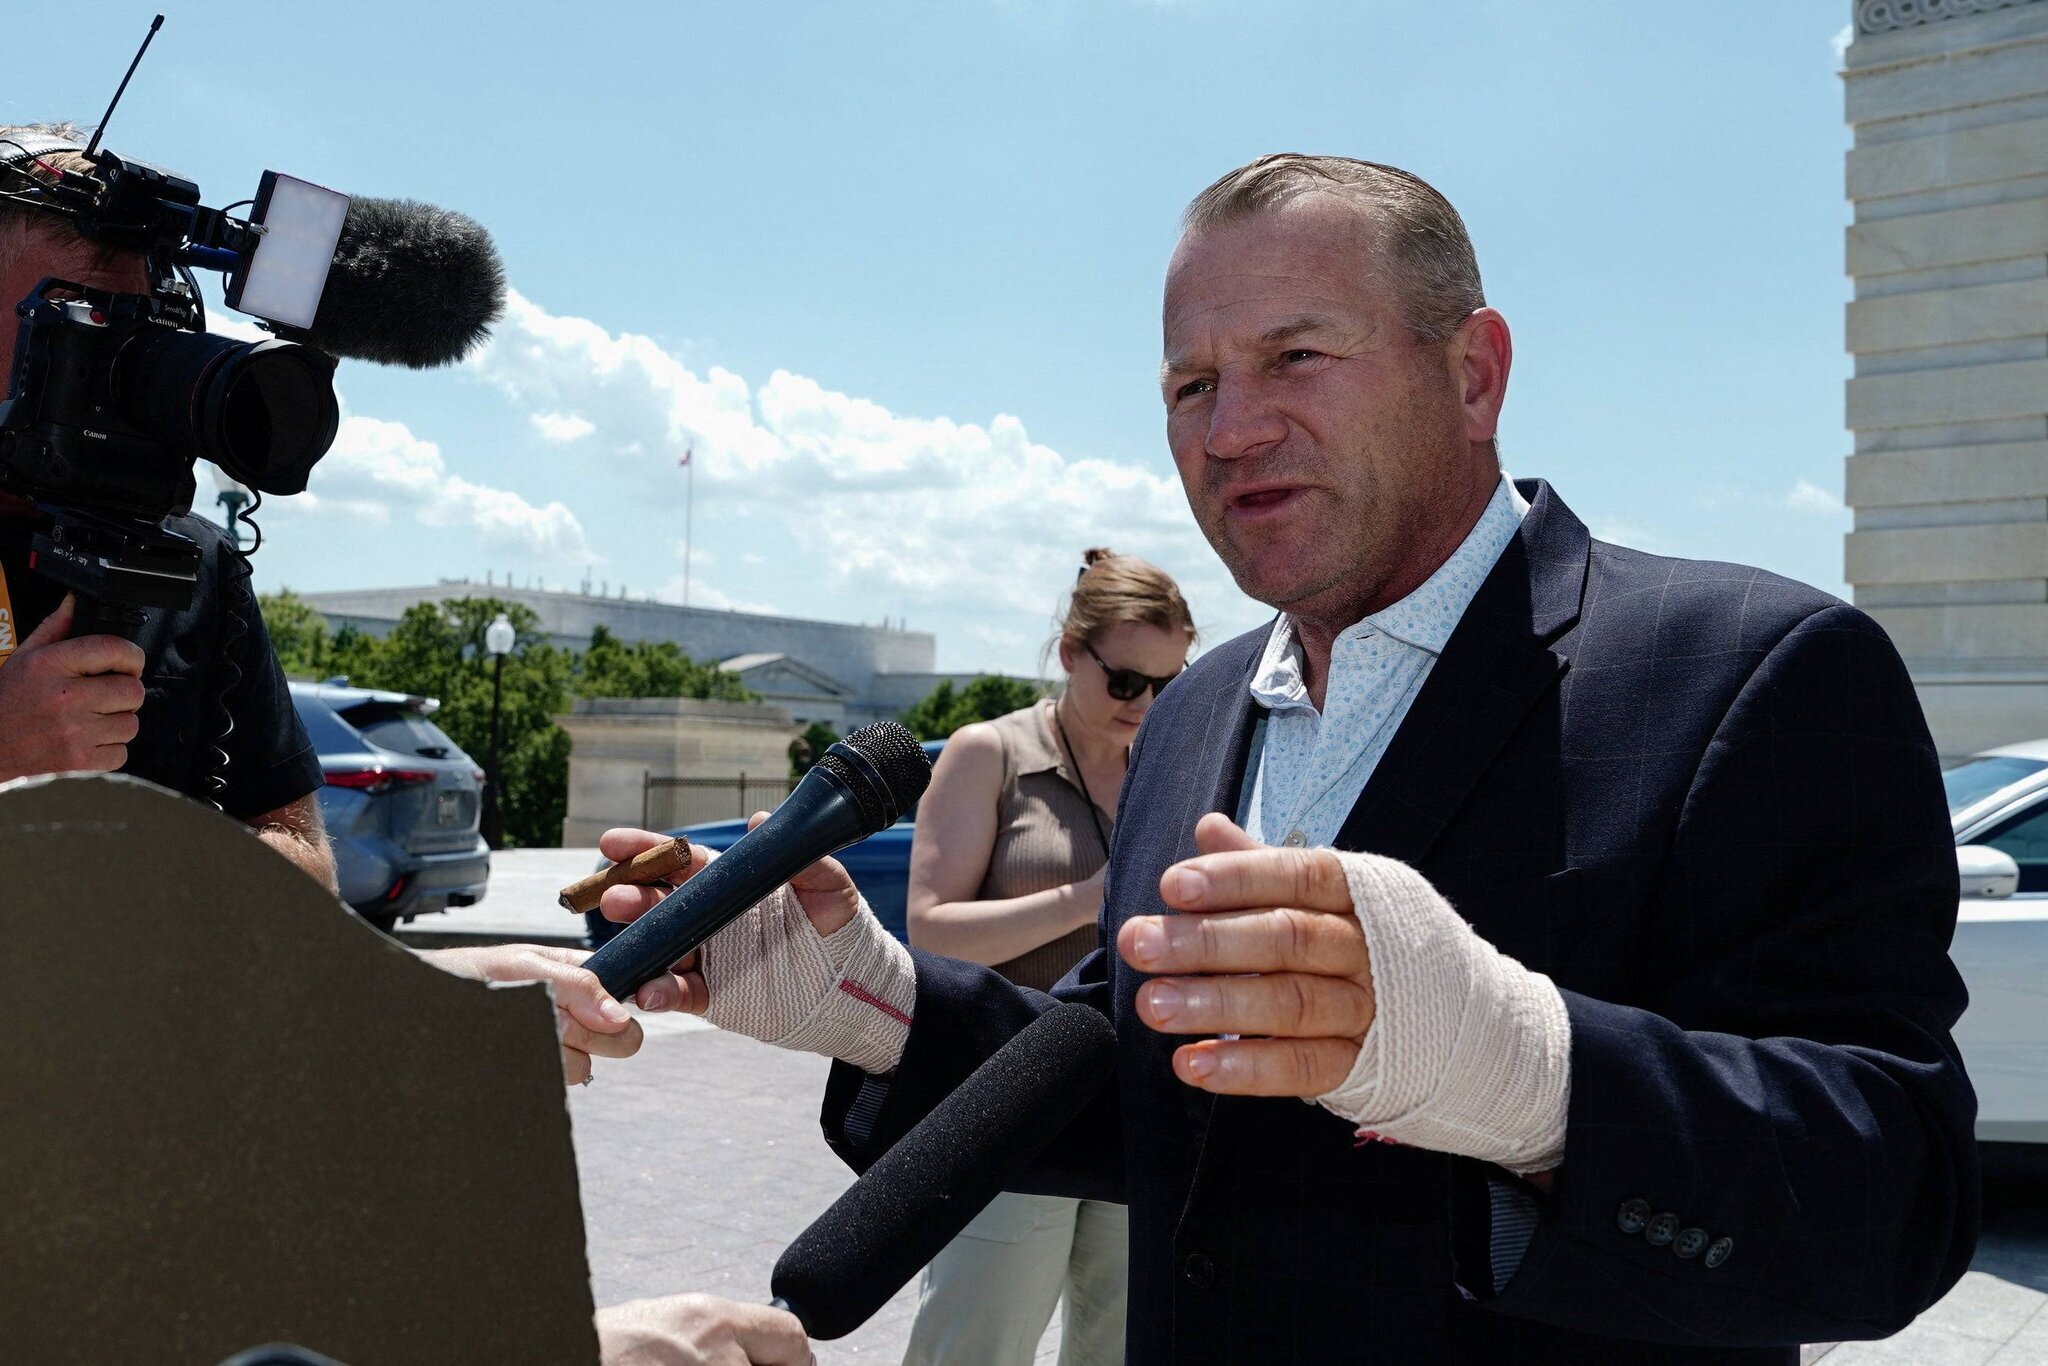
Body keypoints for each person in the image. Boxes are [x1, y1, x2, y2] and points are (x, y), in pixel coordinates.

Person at [590, 153, 1980, 1363]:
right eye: (1190, 381)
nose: (1228, 426)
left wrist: (1526, 1071)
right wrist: (875, 999)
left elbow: (1897, 1191)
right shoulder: (1194, 710)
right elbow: (1126, 1078)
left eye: (1296, 357)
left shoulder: (1754, 666)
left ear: (1475, 371)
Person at [0, 125, 331, 889]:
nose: (122, 360)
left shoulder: (195, 560)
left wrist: (146, 859)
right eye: (81, 319)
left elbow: (306, 866)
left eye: (143, 325)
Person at [901, 548, 1194, 1366]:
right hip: (1006, 1098)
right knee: (975, 1345)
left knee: (1121, 1351)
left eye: (1168, 686)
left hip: (1139, 1100)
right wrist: (1095, 894)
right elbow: (931, 931)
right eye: (1126, 681)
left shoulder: (1175, 763)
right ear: (1071, 652)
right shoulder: (986, 752)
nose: (1146, 705)